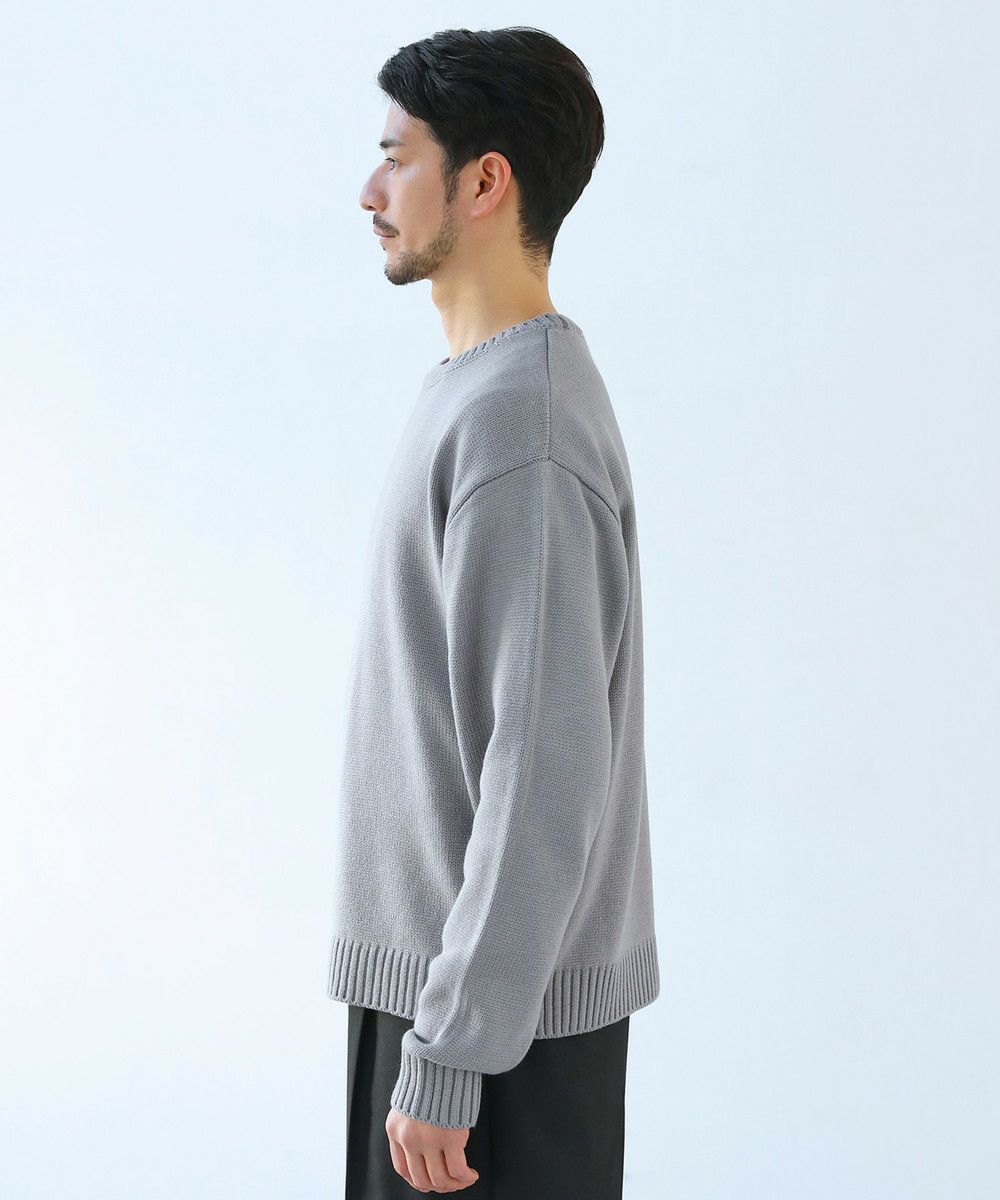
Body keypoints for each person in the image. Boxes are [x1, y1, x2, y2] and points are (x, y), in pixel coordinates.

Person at [327, 26, 661, 1198]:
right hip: (455, 1004)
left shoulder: (524, 422)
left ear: (483, 181)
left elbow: (543, 771)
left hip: (488, 1042)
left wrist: (454, 1051)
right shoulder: (482, 395)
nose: (370, 191)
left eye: (395, 157)